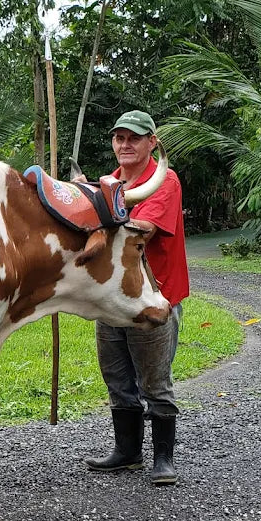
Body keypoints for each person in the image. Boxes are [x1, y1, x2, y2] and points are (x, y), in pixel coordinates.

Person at [85, 109, 189, 485]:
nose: (125, 144)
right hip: (113, 297)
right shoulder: (108, 183)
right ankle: (127, 452)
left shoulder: (165, 180)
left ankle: (164, 459)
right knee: (116, 376)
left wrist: (99, 212)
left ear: (152, 143)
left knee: (155, 381)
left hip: (153, 296)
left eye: (134, 138)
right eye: (119, 138)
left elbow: (143, 228)